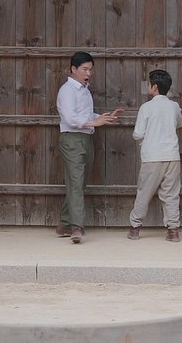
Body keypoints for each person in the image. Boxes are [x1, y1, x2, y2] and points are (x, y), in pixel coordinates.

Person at [55, 51, 122, 244]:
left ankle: (64, 224)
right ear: (73, 69)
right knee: (76, 182)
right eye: (85, 69)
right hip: (72, 139)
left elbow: (86, 115)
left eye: (90, 69)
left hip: (86, 138)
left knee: (80, 183)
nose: (88, 73)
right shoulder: (67, 90)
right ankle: (77, 228)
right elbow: (70, 119)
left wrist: (104, 117)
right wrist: (95, 122)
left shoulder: (84, 90)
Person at [127, 69, 182, 242]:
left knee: (144, 192)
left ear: (154, 87)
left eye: (149, 84)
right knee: (171, 194)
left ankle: (135, 228)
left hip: (152, 156)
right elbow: (179, 123)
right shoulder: (174, 106)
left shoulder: (146, 107)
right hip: (172, 155)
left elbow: (138, 133)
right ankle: (173, 230)